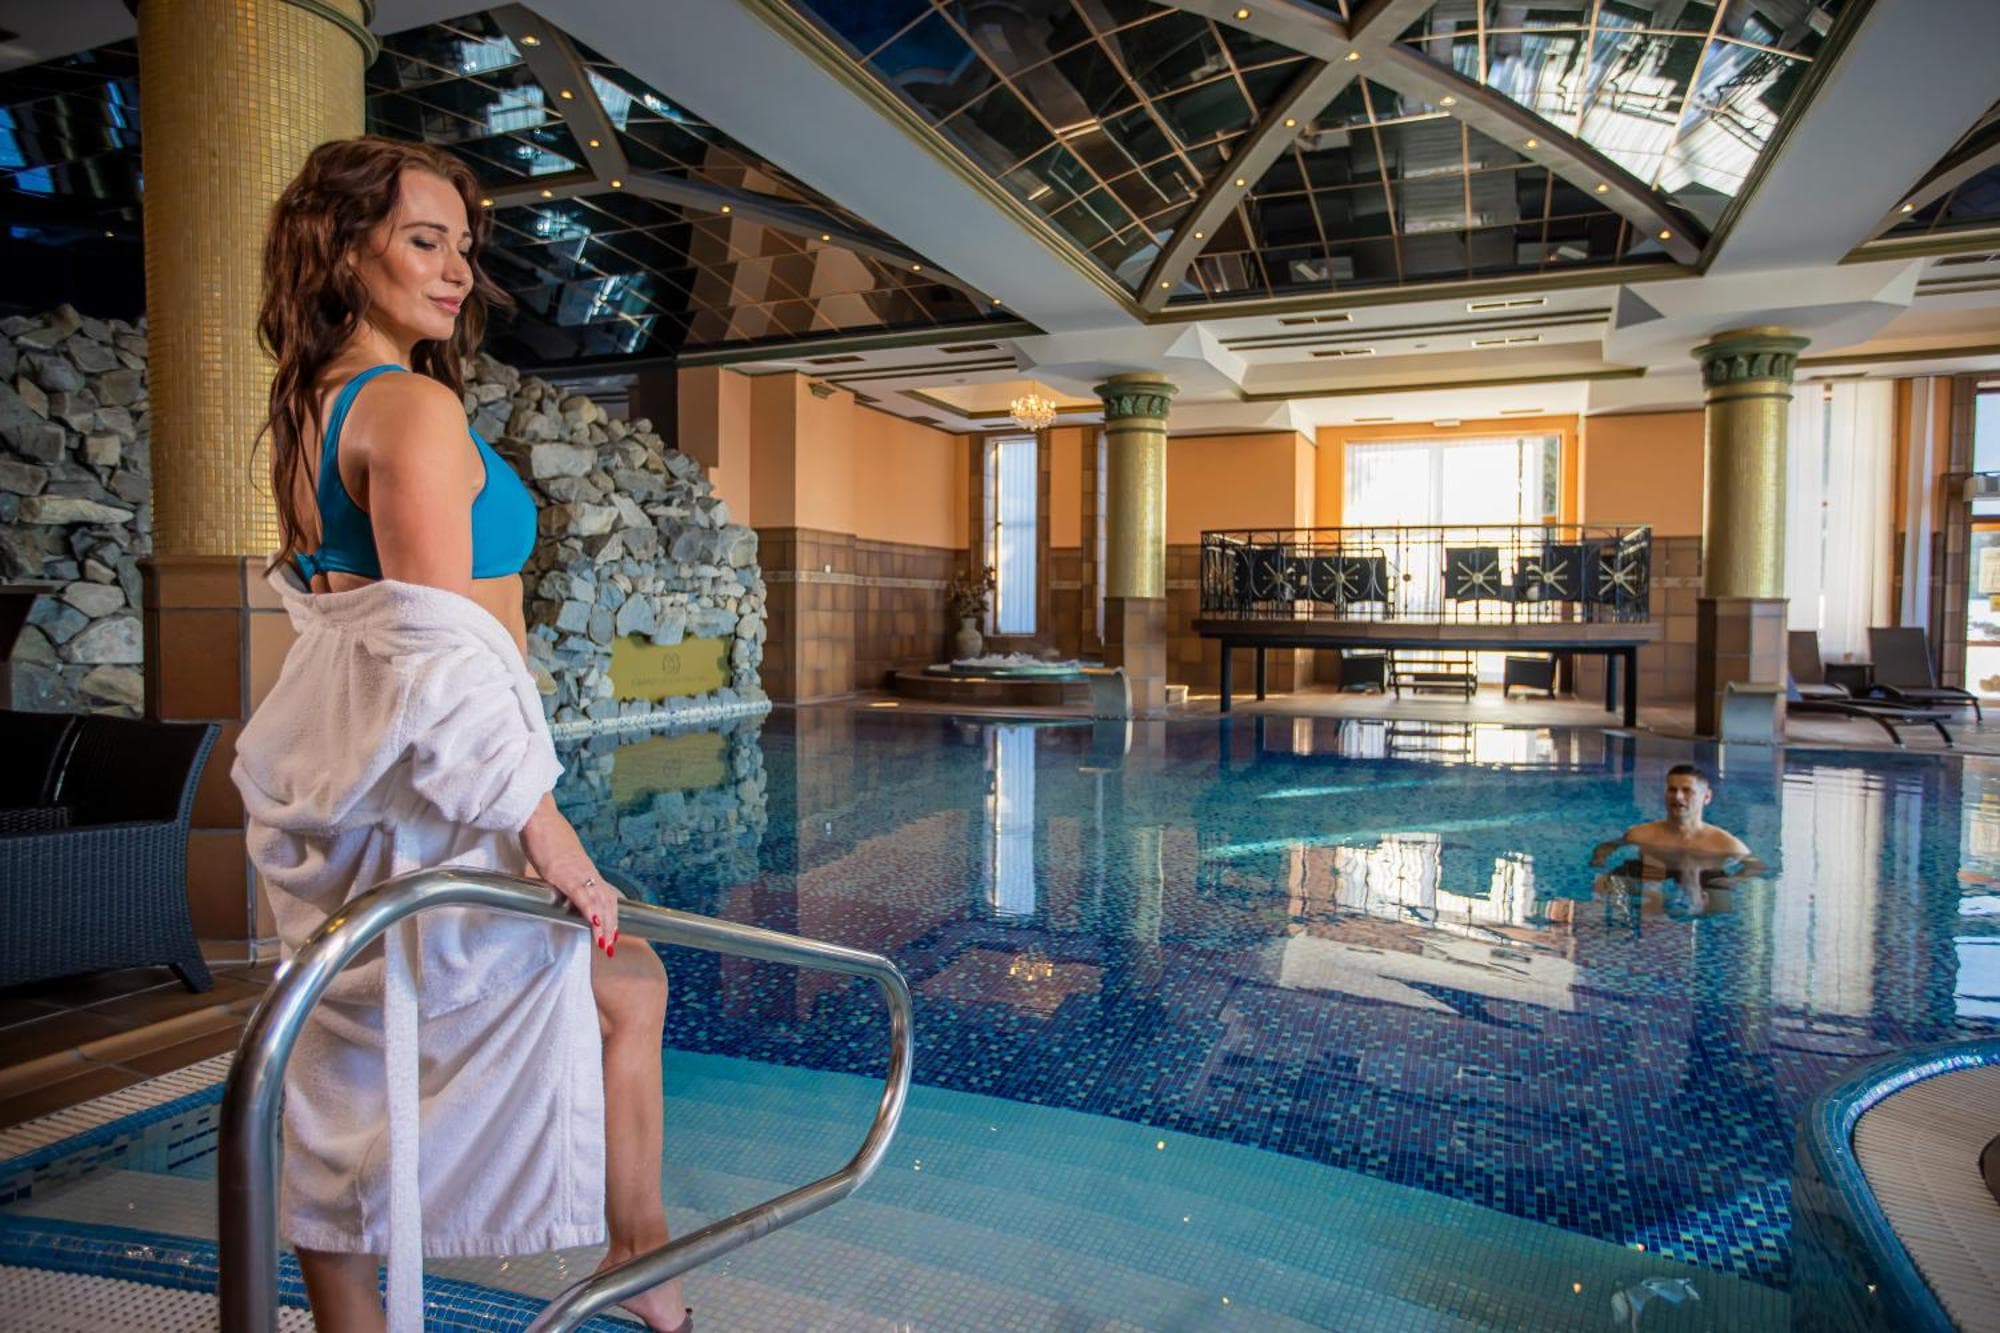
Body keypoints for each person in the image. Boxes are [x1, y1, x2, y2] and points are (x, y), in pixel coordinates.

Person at [231, 136, 689, 1332]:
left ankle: (617, 1258)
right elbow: (437, 654)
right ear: (344, 249)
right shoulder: (410, 407)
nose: (455, 272)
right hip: (437, 788)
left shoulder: (311, 407)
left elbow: (355, 626)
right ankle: (640, 1254)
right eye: (423, 241)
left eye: (463, 247)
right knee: (623, 982)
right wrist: (546, 830)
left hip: (361, 777)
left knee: (351, 1063)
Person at [1551, 764, 1765, 926]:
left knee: (1715, 907)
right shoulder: (1641, 834)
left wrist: (1733, 880)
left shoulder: (1725, 843)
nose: (1677, 797)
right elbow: (1609, 846)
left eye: (1687, 790)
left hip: (1702, 879)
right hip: (1650, 876)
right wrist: (1600, 858)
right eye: (1672, 789)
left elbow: (1755, 866)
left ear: (1706, 797)